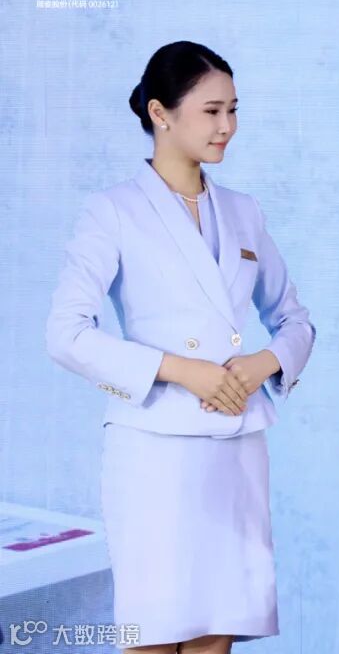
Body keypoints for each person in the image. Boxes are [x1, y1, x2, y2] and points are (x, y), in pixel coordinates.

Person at [46, 41, 315, 654]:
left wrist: (264, 363)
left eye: (233, 110)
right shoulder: (113, 211)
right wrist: (180, 369)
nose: (228, 127)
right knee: (153, 631)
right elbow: (65, 333)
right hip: (155, 448)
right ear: (160, 113)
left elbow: (294, 320)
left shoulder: (243, 211)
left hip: (237, 444)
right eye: (212, 111)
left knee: (217, 632)